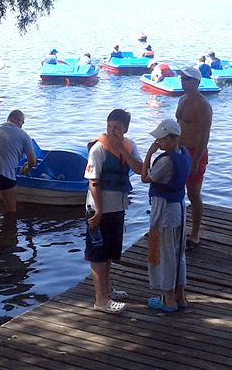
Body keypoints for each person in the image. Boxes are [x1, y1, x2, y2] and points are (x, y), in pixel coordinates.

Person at [84, 109, 143, 313]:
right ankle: (100, 300)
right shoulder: (98, 149)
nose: (112, 131)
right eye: (110, 127)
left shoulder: (129, 145)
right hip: (98, 209)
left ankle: (108, 290)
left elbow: (140, 170)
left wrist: (122, 149)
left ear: (126, 128)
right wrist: (98, 211)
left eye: (117, 128)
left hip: (118, 206)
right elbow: (94, 181)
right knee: (98, 254)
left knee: (109, 252)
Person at [141, 118, 190, 313]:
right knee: (179, 253)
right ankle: (180, 295)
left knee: (166, 253)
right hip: (179, 207)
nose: (159, 143)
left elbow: (145, 178)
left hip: (166, 211)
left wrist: (148, 155)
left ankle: (168, 299)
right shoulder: (184, 153)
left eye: (162, 139)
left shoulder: (166, 160)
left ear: (172, 138)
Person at [175, 66, 213, 251]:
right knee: (175, 190)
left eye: (187, 80)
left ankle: (195, 233)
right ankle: (177, 227)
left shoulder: (202, 105)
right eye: (182, 79)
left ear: (196, 83)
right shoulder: (182, 99)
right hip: (178, 150)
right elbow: (178, 126)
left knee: (194, 193)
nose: (183, 82)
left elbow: (204, 134)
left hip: (194, 152)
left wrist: (197, 160)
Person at [0, 110, 37, 215]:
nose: (22, 126)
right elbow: (32, 161)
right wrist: (26, 168)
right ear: (17, 120)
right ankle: (9, 231)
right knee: (11, 210)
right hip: (4, 175)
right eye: (22, 123)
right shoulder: (24, 135)